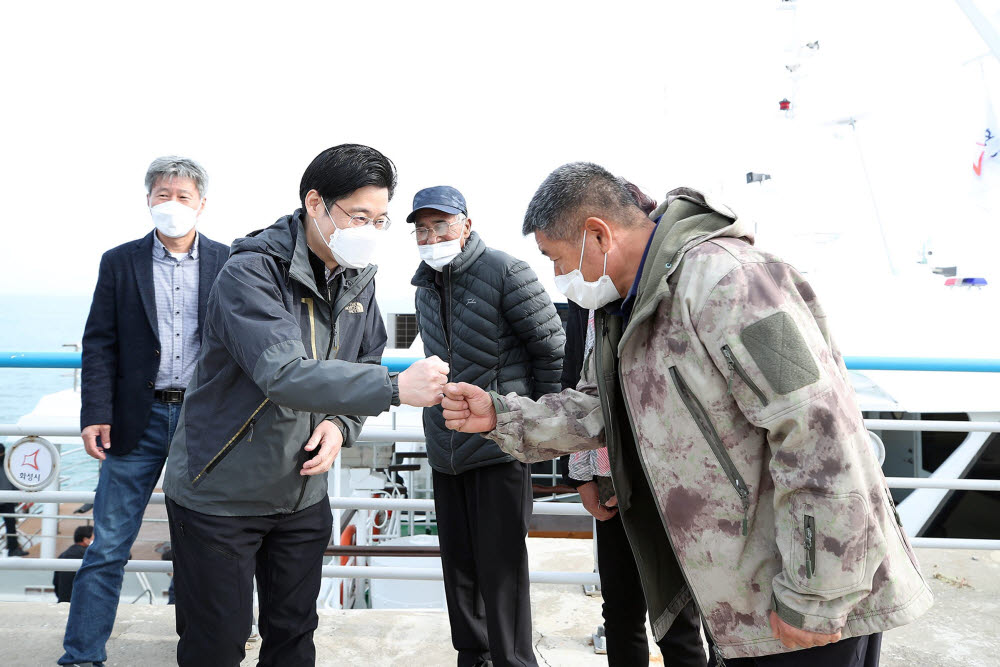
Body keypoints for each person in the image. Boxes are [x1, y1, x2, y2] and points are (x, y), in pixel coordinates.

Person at [442, 163, 933, 666]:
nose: (559, 276)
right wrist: (501, 417)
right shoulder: (626, 310)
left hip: (807, 601)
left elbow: (818, 432)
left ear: (597, 234)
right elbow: (598, 407)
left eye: (558, 259)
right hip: (741, 599)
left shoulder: (731, 282)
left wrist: (814, 594)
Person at [162, 144, 450, 667]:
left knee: (294, 637)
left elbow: (366, 355)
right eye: (359, 216)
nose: (369, 230)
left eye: (380, 220)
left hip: (300, 494)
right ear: (315, 203)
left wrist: (342, 423)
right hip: (220, 494)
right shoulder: (249, 273)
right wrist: (394, 389)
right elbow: (284, 374)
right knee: (216, 644)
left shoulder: (358, 273)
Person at [60, 156, 230, 667]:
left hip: (203, 422)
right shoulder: (120, 261)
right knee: (108, 543)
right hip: (137, 421)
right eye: (162, 194)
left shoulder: (229, 260)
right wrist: (95, 412)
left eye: (182, 196)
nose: (172, 204)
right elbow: (99, 343)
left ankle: (202, 651)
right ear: (148, 199)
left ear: (202, 202)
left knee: (204, 546)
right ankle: (82, 656)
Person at [408, 185, 565, 667]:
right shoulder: (423, 287)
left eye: (441, 225)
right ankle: (471, 658)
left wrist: (533, 426)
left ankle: (514, 661)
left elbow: (552, 349)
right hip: (445, 447)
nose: (431, 235)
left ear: (466, 225)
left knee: (502, 571)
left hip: (499, 445)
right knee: (459, 567)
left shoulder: (505, 271)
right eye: (421, 229)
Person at [0, 444, 28, 557]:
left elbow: (15, 479)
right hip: (8, 498)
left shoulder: (9, 462)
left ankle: (13, 549)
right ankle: (13, 549)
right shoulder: (9, 462)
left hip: (8, 499)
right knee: (11, 526)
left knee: (11, 527)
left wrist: (17, 497)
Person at [53, 526, 94, 603]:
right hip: (83, 603)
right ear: (86, 540)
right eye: (95, 537)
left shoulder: (63, 555)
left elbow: (56, 582)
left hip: (63, 601)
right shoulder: (89, 556)